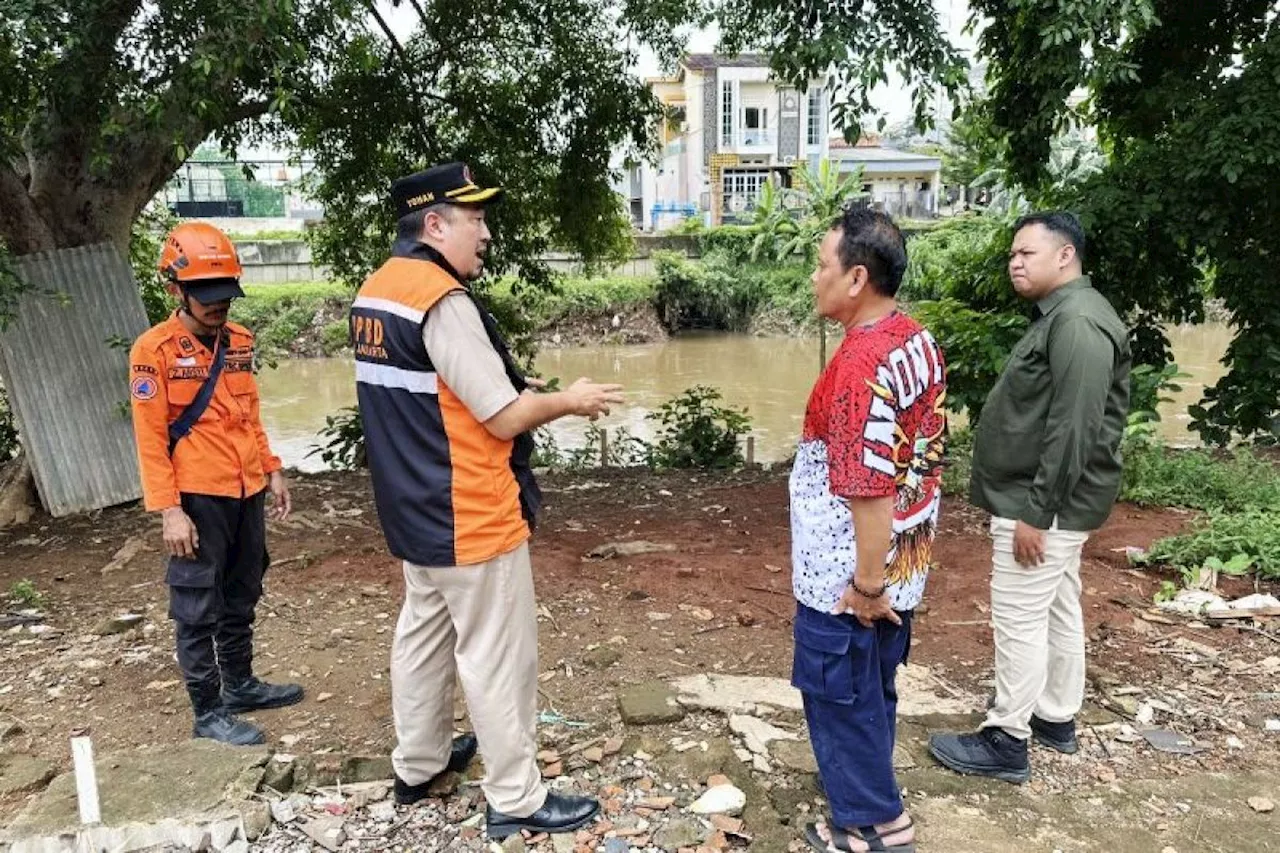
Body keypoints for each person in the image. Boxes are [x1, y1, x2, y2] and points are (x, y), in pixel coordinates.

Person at [352, 162, 624, 839]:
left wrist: (504, 379)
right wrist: (568, 399)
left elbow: (427, 389)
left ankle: (418, 765)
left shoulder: (377, 291)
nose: (488, 234)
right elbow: (502, 418)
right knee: (498, 657)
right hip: (469, 513)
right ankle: (516, 798)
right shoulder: (441, 300)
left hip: (412, 512)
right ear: (435, 223)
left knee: (422, 637)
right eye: (476, 220)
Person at [929, 211, 1131, 783]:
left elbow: (1075, 427)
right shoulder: (1065, 315)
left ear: (1065, 256)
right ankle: (1055, 717)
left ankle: (1006, 739)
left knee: (1019, 615)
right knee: (1059, 605)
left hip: (1043, 504)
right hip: (1052, 502)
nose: (1015, 263)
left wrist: (1037, 511)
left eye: (1028, 254)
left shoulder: (1079, 324)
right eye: (1012, 254)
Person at [790, 207, 947, 853]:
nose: (813, 277)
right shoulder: (915, 339)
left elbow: (868, 487)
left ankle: (877, 826)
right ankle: (862, 811)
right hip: (906, 562)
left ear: (856, 278)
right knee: (873, 692)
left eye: (822, 265)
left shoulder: (860, 364)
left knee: (839, 697)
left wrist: (866, 584)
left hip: (850, 575)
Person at [129, 222, 302, 747]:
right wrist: (169, 510)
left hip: (246, 489)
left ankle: (241, 685)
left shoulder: (240, 341)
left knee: (243, 587)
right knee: (196, 601)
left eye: (224, 294)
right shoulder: (153, 351)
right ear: (175, 290)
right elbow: (150, 438)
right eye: (204, 295)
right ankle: (208, 710)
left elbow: (249, 414)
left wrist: (272, 468)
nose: (217, 305)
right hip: (197, 497)